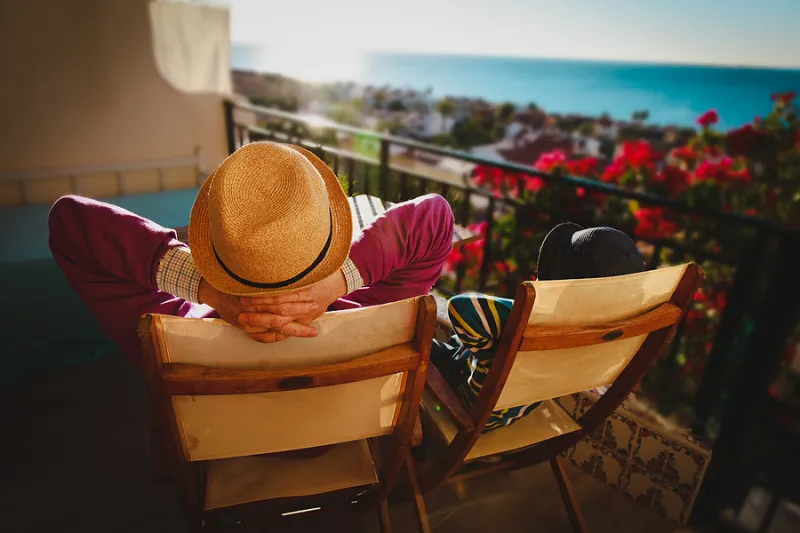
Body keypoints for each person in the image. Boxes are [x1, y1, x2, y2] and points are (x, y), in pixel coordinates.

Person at [48, 141, 455, 375]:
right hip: (348, 438)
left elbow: (70, 222)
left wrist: (208, 293)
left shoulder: (170, 334)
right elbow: (435, 216)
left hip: (219, 448)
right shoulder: (370, 314)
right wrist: (336, 284)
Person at [430, 222, 646, 432]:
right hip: (517, 407)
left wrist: (492, 354)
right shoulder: (597, 335)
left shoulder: (533, 324)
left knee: (416, 343)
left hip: (469, 401)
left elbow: (459, 307)